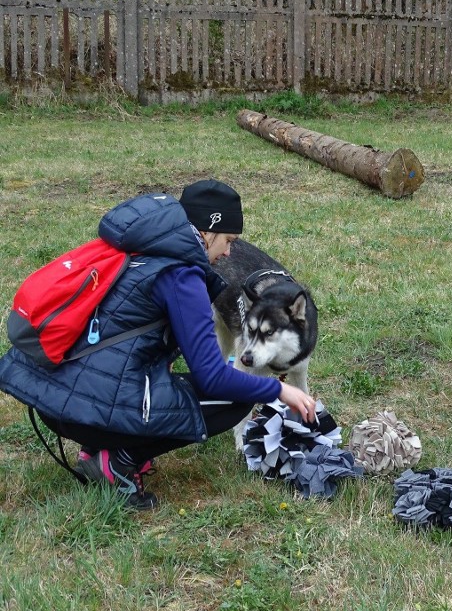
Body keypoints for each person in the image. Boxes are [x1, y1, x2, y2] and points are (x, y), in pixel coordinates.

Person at [0, 179, 316, 510]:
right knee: (235, 399)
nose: (228, 252)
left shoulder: (145, 246)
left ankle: (99, 443)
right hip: (80, 407)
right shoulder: (181, 276)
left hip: (54, 393)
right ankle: (118, 459)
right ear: (208, 231)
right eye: (228, 240)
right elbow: (213, 378)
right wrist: (280, 391)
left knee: (156, 383)